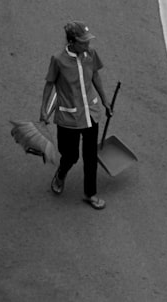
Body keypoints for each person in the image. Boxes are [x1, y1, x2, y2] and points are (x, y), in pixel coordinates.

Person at [40, 21, 113, 210]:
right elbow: (49, 84)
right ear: (72, 42)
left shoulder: (90, 54)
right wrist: (43, 109)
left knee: (90, 157)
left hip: (90, 115)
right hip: (68, 119)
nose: (87, 45)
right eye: (83, 42)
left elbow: (95, 76)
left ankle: (91, 193)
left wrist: (105, 101)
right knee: (70, 155)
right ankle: (61, 173)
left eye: (88, 41)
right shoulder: (58, 60)